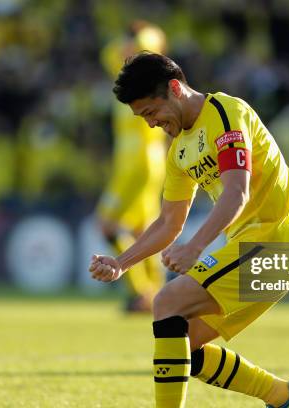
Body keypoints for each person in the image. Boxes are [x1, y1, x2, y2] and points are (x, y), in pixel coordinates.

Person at [89, 52, 289, 408]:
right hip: (250, 251)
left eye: (151, 113)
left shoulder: (226, 114)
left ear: (175, 88)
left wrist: (195, 247)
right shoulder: (179, 151)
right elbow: (168, 223)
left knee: (166, 303)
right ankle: (283, 396)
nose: (150, 125)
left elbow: (236, 192)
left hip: (272, 246)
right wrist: (122, 262)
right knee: (183, 347)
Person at [96, 22, 168, 312]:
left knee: (106, 225)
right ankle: (155, 296)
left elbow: (154, 40)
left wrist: (139, 37)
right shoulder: (123, 76)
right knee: (142, 230)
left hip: (139, 163)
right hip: (139, 163)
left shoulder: (150, 77)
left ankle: (141, 293)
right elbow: (108, 53)